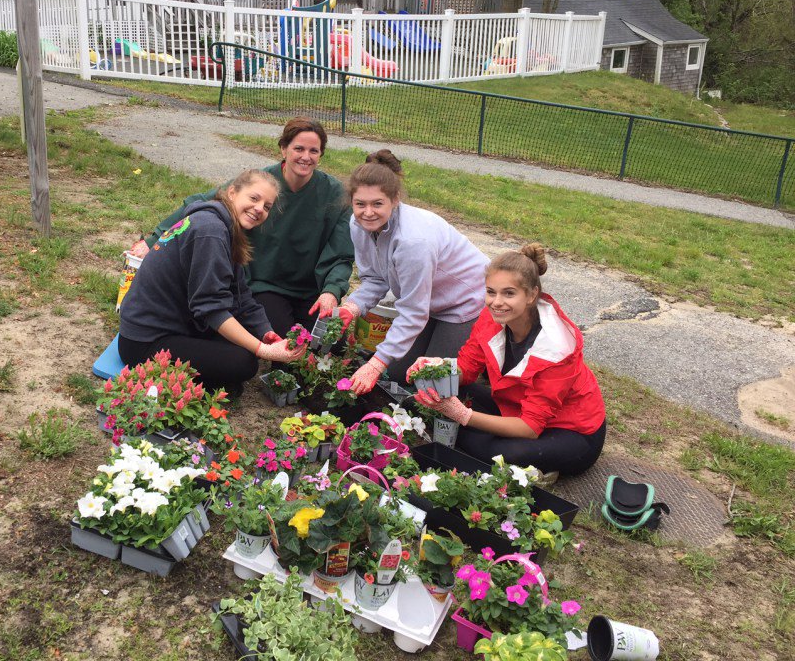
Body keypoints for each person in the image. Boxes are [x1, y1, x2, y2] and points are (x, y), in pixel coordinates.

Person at [132, 118, 354, 335]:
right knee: (286, 340)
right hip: (264, 285)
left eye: (313, 151)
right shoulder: (262, 184)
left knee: (332, 341)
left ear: (321, 155)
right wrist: (153, 240)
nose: (306, 157)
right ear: (283, 149)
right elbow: (203, 202)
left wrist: (331, 291)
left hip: (310, 290)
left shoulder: (336, 195)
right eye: (298, 148)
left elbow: (341, 254)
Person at [411, 244, 606, 477]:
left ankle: (533, 464)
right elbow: (467, 369)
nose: (496, 302)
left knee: (495, 451)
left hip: (571, 430)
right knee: (443, 392)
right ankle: (511, 452)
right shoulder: (491, 316)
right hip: (515, 405)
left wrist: (463, 415)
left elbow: (531, 427)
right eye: (491, 292)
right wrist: (436, 369)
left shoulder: (558, 346)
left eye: (509, 293)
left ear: (532, 295)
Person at [118, 169, 304, 392]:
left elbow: (241, 294)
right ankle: (172, 384)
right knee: (243, 363)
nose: (259, 209)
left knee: (240, 346)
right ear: (233, 192)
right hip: (145, 341)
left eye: (266, 206)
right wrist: (263, 351)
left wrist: (265, 332)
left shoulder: (221, 224)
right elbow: (211, 308)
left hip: (175, 323)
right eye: (254, 198)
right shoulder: (211, 230)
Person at [342, 150, 489, 394]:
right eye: (360, 204)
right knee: (398, 374)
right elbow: (375, 279)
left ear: (395, 199)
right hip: (428, 303)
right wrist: (352, 307)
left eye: (377, 203)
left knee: (431, 383)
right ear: (352, 202)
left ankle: (486, 363)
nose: (368, 212)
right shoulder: (358, 225)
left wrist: (375, 364)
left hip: (465, 303)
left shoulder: (413, 241)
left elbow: (412, 312)